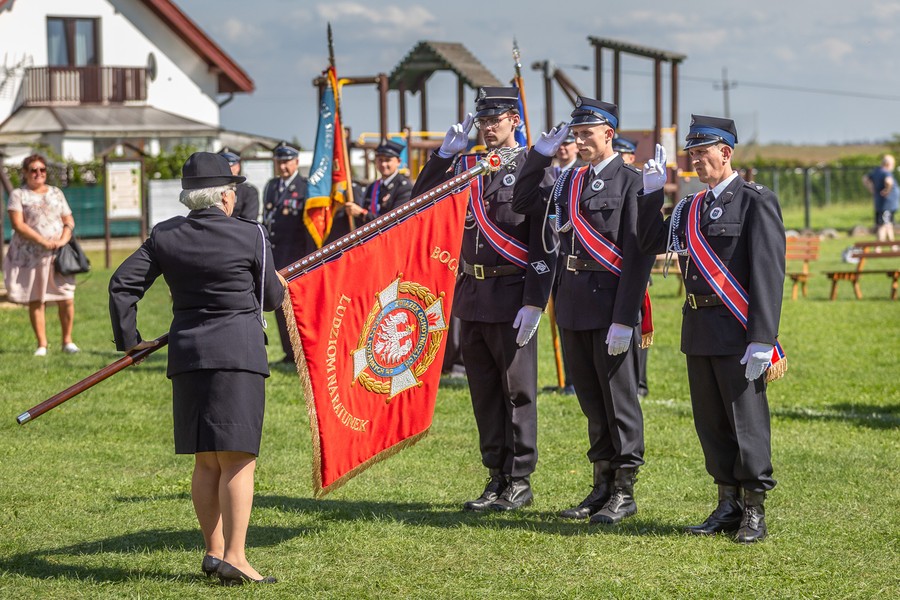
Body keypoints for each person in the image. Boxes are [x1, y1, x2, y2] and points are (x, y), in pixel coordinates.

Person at [109, 152, 285, 584]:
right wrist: (278, 284)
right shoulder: (252, 234)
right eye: (233, 191)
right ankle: (236, 558)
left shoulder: (165, 235)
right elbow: (271, 299)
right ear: (224, 196)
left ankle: (214, 550)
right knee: (238, 460)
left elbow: (122, 285)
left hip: (188, 356)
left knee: (207, 461)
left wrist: (130, 341)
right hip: (237, 356)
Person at [636, 115, 786, 543]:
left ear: (726, 152)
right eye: (693, 154)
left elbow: (768, 273)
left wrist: (762, 338)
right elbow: (650, 242)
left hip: (738, 332)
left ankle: (754, 509)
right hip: (699, 328)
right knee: (712, 423)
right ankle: (727, 503)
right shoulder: (689, 207)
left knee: (746, 422)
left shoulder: (755, 201)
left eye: (703, 153)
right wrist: (651, 195)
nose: (696, 161)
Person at [411, 86, 557, 512]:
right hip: (472, 295)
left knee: (517, 392)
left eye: (496, 120)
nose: (488, 128)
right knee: (484, 391)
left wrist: (535, 301)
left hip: (512, 295)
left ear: (515, 120)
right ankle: (495, 475)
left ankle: (520, 479)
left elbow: (544, 241)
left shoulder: (533, 166)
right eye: (483, 121)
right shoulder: (466, 167)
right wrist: (443, 156)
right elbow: (420, 202)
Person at [512, 97, 654, 524]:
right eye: (576, 134)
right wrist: (538, 156)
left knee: (619, 402)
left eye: (587, 133)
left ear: (608, 133)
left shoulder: (632, 182)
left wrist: (624, 318)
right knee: (592, 401)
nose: (580, 140)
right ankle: (601, 486)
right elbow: (523, 201)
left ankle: (624, 491)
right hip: (573, 303)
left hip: (611, 306)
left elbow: (638, 255)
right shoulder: (568, 182)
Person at [3, 154, 79, 356]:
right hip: (31, 257)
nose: (38, 173)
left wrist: (63, 239)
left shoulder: (56, 193)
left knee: (66, 297)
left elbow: (68, 220)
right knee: (36, 299)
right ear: (25, 173)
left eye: (42, 169)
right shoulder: (19, 195)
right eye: (33, 170)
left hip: (58, 255)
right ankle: (42, 344)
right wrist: (43, 241)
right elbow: (18, 225)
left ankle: (67, 341)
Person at [261, 141, 311, 363]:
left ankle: (303, 351)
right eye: (279, 162)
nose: (282, 166)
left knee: (299, 307)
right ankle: (288, 352)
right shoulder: (271, 186)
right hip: (276, 256)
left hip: (296, 255)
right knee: (280, 306)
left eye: (287, 162)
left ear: (296, 162)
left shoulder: (305, 187)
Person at [613, 135, 649, 398]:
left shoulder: (633, 180)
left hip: (631, 269)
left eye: (622, 154)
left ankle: (640, 382)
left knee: (636, 328)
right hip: (611, 271)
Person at [344, 140, 412, 223]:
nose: (383, 164)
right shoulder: (373, 186)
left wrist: (362, 214)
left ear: (398, 162)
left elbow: (394, 220)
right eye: (380, 160)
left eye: (387, 160)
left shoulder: (404, 187)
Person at [862, 154, 899, 242]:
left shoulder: (876, 171)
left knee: (888, 224)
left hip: (881, 203)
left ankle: (892, 245)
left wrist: (871, 188)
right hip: (886, 204)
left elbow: (865, 178)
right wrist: (887, 190)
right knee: (883, 225)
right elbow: (888, 181)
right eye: (893, 164)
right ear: (888, 164)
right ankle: (878, 246)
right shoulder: (885, 172)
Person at [218, 148, 260, 221]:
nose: (227, 170)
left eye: (230, 166)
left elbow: (249, 220)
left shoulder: (248, 191)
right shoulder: (212, 190)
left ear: (238, 167)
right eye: (223, 167)